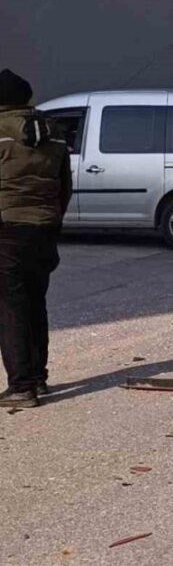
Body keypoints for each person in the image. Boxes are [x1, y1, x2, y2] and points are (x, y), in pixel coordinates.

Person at [0, 69, 72, 408]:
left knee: (10, 306)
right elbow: (64, 184)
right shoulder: (54, 131)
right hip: (44, 228)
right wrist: (53, 220)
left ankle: (21, 386)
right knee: (34, 301)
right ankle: (39, 378)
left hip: (7, 227)